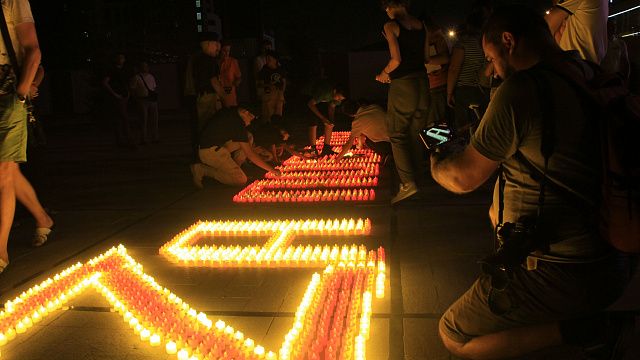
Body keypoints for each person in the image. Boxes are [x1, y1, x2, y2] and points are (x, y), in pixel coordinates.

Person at [431, 6, 628, 359]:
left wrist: (437, 161)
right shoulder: (588, 73)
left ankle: (584, 331)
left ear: (508, 41)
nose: (494, 69)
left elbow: (463, 178)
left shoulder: (523, 89)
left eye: (492, 57)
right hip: (615, 256)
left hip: (559, 269)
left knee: (453, 333)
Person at [0, 0, 54, 273]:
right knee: (8, 171)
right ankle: (43, 218)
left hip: (8, 95)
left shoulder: (12, 2)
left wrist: (21, 92)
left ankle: (0, 251)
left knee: (4, 170)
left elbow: (33, 50)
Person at [377, 0, 429, 204]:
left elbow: (396, 60)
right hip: (423, 83)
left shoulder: (391, 26)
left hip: (403, 85)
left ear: (389, 7)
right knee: (415, 133)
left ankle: (407, 184)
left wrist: (383, 73)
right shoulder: (422, 25)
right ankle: (417, 179)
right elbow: (425, 57)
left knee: (397, 134)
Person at [190, 107, 281, 187]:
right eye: (250, 119)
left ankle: (235, 169)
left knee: (248, 137)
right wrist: (272, 170)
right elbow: (250, 154)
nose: (249, 123)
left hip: (212, 146)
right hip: (210, 152)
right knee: (240, 180)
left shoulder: (232, 112)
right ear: (245, 112)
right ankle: (202, 170)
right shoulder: (237, 123)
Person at [447, 10, 489, 139]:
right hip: (484, 89)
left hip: (465, 90)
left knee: (463, 128)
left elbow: (454, 69)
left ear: (468, 25)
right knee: (482, 125)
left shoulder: (463, 44)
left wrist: (449, 93)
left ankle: (465, 151)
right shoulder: (487, 43)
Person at [190, 32, 224, 133]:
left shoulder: (199, 58)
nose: (217, 48)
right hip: (208, 96)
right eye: (215, 45)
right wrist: (224, 97)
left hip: (204, 96)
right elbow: (214, 81)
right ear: (208, 44)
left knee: (207, 123)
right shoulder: (208, 60)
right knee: (208, 124)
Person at [302, 79, 346, 157]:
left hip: (320, 101)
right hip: (309, 97)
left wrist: (331, 121)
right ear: (335, 91)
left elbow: (332, 107)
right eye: (339, 98)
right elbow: (310, 104)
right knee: (313, 122)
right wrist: (322, 118)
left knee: (329, 123)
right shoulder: (325, 92)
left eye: (341, 99)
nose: (339, 100)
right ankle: (313, 149)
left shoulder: (336, 98)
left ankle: (326, 148)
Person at [103, 52, 134, 147]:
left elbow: (125, 82)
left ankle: (120, 140)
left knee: (119, 119)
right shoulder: (112, 70)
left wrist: (128, 93)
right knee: (124, 118)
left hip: (124, 96)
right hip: (118, 97)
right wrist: (115, 94)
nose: (122, 60)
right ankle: (128, 140)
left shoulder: (124, 70)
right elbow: (105, 82)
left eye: (123, 58)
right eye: (120, 58)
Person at [424, 17, 450, 128]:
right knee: (433, 120)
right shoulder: (420, 42)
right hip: (427, 87)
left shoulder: (438, 39)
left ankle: (441, 142)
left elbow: (445, 58)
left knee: (438, 121)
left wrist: (426, 60)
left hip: (438, 85)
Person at [129, 61, 159, 144]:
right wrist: (136, 98)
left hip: (151, 100)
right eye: (144, 66)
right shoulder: (136, 77)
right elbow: (132, 89)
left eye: (146, 66)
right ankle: (144, 138)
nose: (146, 68)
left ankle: (154, 137)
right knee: (143, 120)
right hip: (142, 100)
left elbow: (154, 87)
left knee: (154, 119)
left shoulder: (151, 76)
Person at [258, 50, 286, 123]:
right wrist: (269, 85)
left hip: (279, 95)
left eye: (269, 59)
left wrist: (282, 93)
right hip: (268, 94)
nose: (267, 61)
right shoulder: (264, 70)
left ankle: (277, 130)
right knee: (268, 116)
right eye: (266, 59)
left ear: (275, 59)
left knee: (278, 116)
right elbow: (259, 84)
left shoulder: (280, 69)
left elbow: (284, 82)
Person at [600, 18, 630, 84]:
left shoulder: (621, 43)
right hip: (602, 78)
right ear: (606, 26)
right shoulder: (600, 42)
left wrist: (626, 78)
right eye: (611, 25)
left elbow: (625, 62)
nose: (614, 27)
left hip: (615, 78)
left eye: (615, 25)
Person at [219, 40, 242, 107]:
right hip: (217, 95)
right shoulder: (215, 62)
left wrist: (237, 81)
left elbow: (239, 77)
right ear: (220, 50)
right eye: (224, 51)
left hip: (229, 94)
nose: (226, 53)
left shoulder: (233, 61)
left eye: (228, 51)